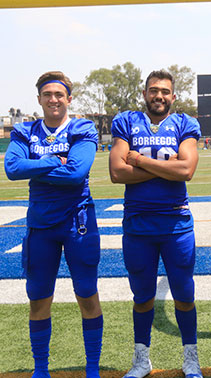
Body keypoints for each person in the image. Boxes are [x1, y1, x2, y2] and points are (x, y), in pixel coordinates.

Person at [4, 71, 103, 378]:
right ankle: (41, 369)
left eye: (59, 94)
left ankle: (92, 369)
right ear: (39, 100)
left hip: (78, 223)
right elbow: (12, 168)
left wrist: (34, 167)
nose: (53, 99)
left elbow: (76, 173)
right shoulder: (24, 131)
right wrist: (53, 161)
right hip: (41, 226)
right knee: (38, 298)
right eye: (47, 95)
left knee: (87, 294)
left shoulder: (82, 127)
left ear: (69, 99)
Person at [109, 70, 202, 378]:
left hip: (175, 223)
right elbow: (117, 173)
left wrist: (141, 160)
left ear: (173, 96)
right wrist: (166, 167)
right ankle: (141, 359)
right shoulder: (126, 122)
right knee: (143, 296)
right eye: (153, 90)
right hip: (138, 225)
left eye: (164, 91)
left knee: (184, 294)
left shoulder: (185, 124)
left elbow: (186, 169)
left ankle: (191, 357)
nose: (159, 95)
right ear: (145, 94)